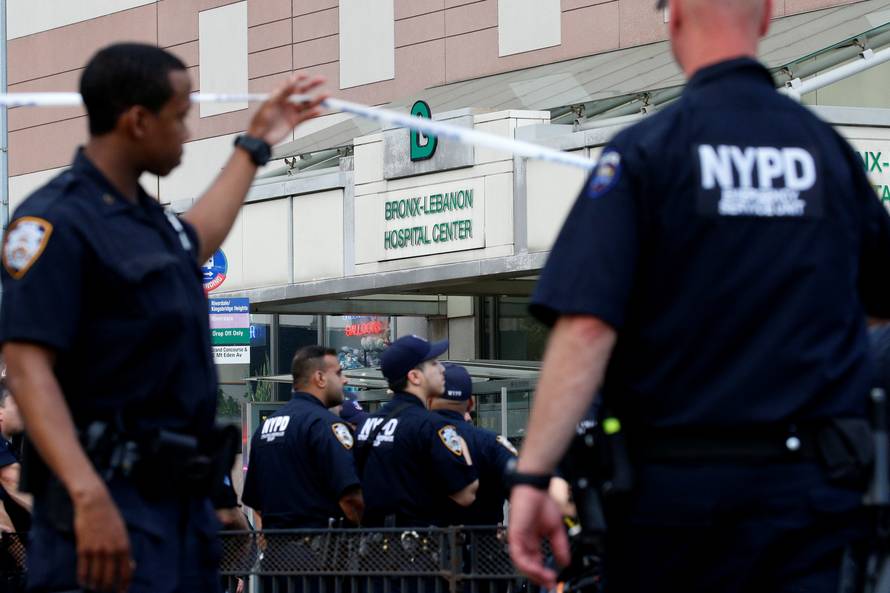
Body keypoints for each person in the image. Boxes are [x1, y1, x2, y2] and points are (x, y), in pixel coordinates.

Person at [507, 0, 890, 591]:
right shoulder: (828, 155)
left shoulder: (645, 153)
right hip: (811, 495)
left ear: (675, 16)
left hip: (674, 501)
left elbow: (586, 327)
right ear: (764, 17)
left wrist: (533, 477)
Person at [0, 43, 326, 593]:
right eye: (180, 117)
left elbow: (198, 233)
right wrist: (87, 497)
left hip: (175, 511)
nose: (188, 132)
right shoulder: (53, 223)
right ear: (137, 121)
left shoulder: (148, 222)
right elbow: (29, 371)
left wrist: (257, 142)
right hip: (101, 509)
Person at [356, 336, 479, 527]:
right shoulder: (431, 425)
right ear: (414, 376)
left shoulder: (368, 424)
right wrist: (460, 441)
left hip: (373, 548)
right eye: (434, 363)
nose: (442, 369)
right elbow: (466, 494)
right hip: (419, 547)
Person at [241, 346, 363, 529]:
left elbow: (256, 502)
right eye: (338, 373)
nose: (345, 380)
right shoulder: (325, 425)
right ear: (320, 378)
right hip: (321, 550)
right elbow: (350, 497)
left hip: (277, 550)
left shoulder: (265, 428)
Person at [430, 364, 516, 526]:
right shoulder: (491, 443)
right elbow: (524, 490)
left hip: (422, 547)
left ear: (429, 401)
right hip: (484, 546)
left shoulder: (413, 437)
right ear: (470, 403)